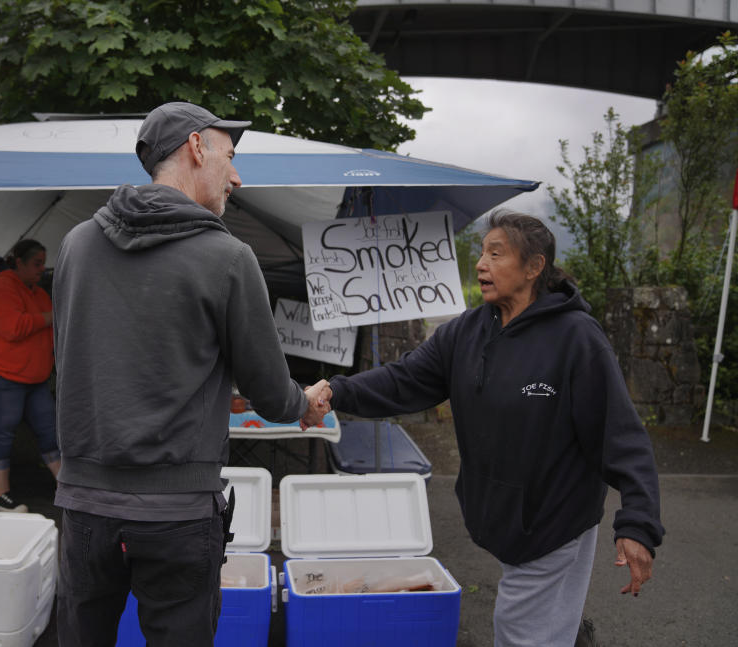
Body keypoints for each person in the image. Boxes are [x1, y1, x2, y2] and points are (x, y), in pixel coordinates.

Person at [51, 101, 330, 647]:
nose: (237, 175)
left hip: (83, 506)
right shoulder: (227, 256)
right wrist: (306, 401)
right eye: (229, 155)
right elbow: (272, 394)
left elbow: (77, 359)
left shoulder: (76, 244)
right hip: (177, 515)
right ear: (197, 148)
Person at [319, 211, 664, 647]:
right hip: (503, 519)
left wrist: (638, 524)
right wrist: (335, 393)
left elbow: (622, 436)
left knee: (518, 633)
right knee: (543, 628)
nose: (481, 263)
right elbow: (404, 380)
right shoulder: (468, 330)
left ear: (534, 267)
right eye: (482, 253)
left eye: (495, 254)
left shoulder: (576, 339)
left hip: (553, 519)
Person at [0, 239, 61, 513]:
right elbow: (14, 327)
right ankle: (0, 496)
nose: (42, 269)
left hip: (34, 379)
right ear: (18, 262)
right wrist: (51, 317)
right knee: (2, 433)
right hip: (1, 376)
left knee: (51, 430)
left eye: (43, 264)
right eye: (36, 263)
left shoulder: (38, 293)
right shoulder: (1, 287)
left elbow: (51, 330)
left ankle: (67, 487)